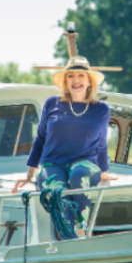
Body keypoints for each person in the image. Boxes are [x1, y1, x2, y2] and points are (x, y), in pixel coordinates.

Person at [13, 55, 117, 236]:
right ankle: (69, 238)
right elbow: (40, 139)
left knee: (78, 175)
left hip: (86, 164)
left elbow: (101, 143)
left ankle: (82, 232)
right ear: (65, 82)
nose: (75, 80)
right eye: (70, 76)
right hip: (52, 164)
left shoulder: (101, 109)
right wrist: (30, 174)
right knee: (58, 192)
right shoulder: (52, 103)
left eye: (81, 76)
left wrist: (104, 170)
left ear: (89, 81)